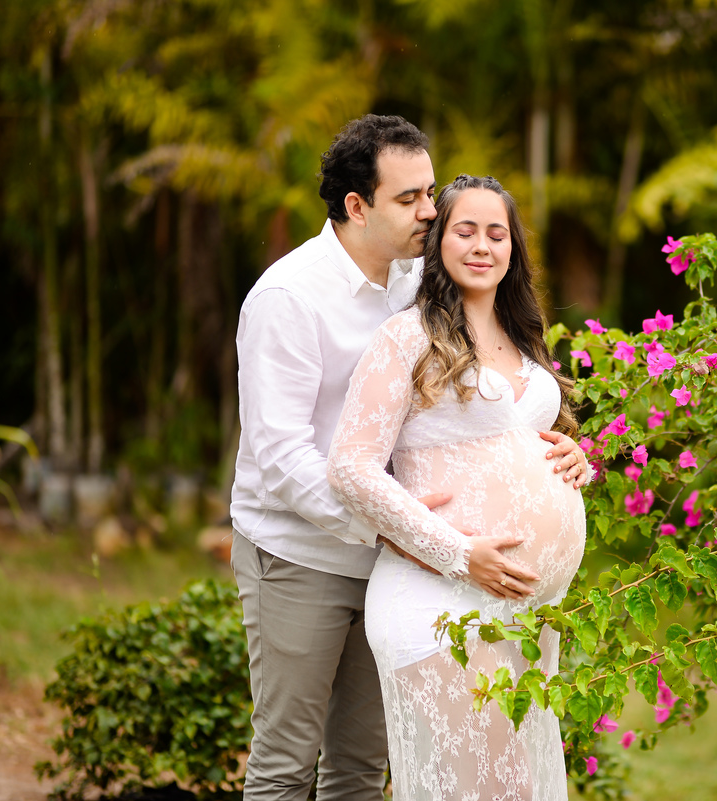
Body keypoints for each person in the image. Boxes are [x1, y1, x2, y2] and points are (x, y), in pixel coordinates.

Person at [230, 118, 589, 801]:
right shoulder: (288, 298)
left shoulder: (416, 284)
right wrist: (405, 529)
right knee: (285, 759)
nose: (431, 210)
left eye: (431, 192)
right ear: (356, 206)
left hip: (404, 564)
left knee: (361, 767)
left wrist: (562, 455)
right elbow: (281, 457)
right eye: (410, 198)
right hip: (302, 552)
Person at [327, 174, 587, 801]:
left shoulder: (522, 338)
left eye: (496, 233)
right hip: (440, 603)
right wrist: (457, 553)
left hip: (522, 611)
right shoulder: (407, 337)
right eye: (464, 230)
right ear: (438, 241)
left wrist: (576, 458)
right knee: (491, 790)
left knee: (516, 788)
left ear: (512, 248)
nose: (481, 245)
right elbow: (351, 468)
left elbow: (520, 444)